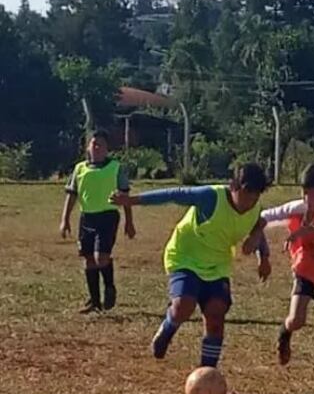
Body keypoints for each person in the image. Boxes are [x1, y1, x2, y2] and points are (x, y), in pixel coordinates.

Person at [109, 163, 271, 368]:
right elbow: (173, 194)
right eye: (247, 194)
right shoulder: (210, 197)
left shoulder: (255, 209)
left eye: (256, 196)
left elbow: (257, 226)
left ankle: (207, 372)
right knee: (183, 306)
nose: (250, 201)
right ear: (234, 187)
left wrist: (263, 257)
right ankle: (168, 328)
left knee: (216, 313)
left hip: (217, 263)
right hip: (185, 256)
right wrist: (131, 200)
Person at [257, 163, 314, 392]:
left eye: (313, 193)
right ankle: (285, 333)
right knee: (296, 319)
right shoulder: (297, 207)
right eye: (304, 192)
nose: (307, 198)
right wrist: (255, 238)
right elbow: (263, 217)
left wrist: (303, 231)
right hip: (306, 268)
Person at [60, 129, 136, 313]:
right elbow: (72, 195)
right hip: (87, 217)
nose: (97, 147)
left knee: (100, 257)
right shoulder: (80, 169)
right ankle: (94, 301)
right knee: (88, 259)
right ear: (88, 146)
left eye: (100, 145)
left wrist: (129, 221)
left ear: (107, 149)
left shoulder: (115, 167)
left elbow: (124, 195)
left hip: (108, 216)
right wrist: (65, 219)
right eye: (93, 144)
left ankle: (109, 287)